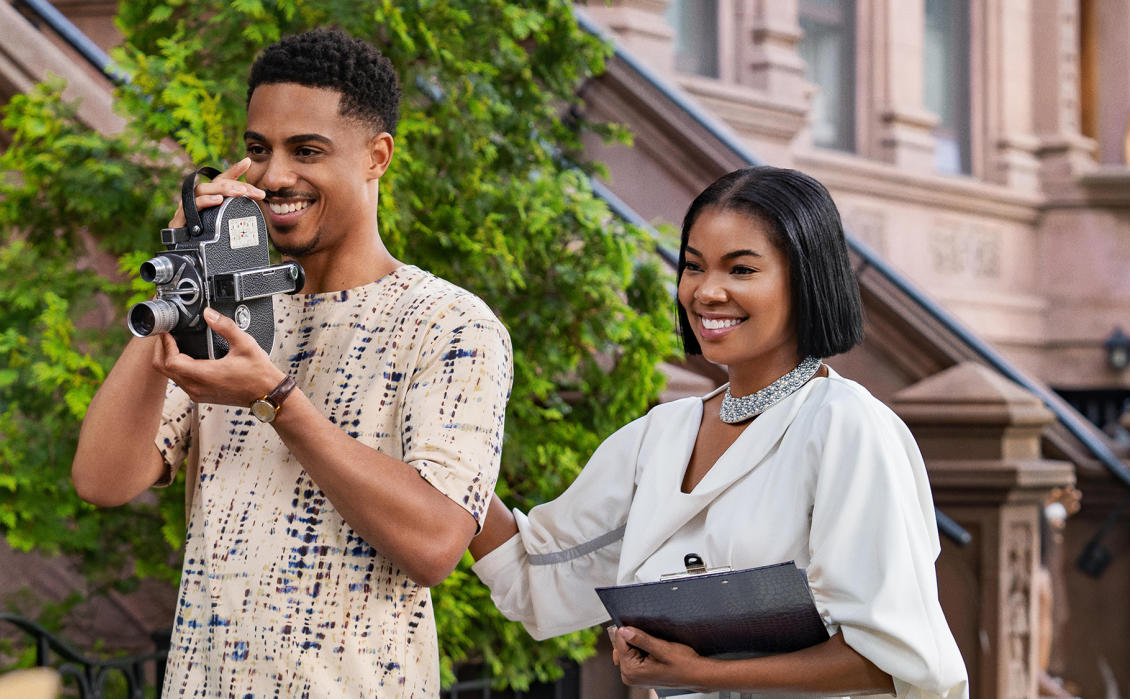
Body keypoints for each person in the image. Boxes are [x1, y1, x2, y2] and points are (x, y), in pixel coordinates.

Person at [71, 29, 513, 697]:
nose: (275, 176)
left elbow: (435, 543)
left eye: (306, 150)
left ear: (377, 156)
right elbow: (102, 479)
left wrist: (278, 399)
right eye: (258, 149)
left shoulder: (450, 323)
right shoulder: (229, 315)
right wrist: (184, 281)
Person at [469, 166, 968, 698]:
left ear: (805, 279)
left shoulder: (846, 426)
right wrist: (438, 455)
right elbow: (534, 576)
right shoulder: (659, 437)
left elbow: (898, 659)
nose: (707, 292)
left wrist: (701, 674)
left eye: (741, 270)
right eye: (693, 267)